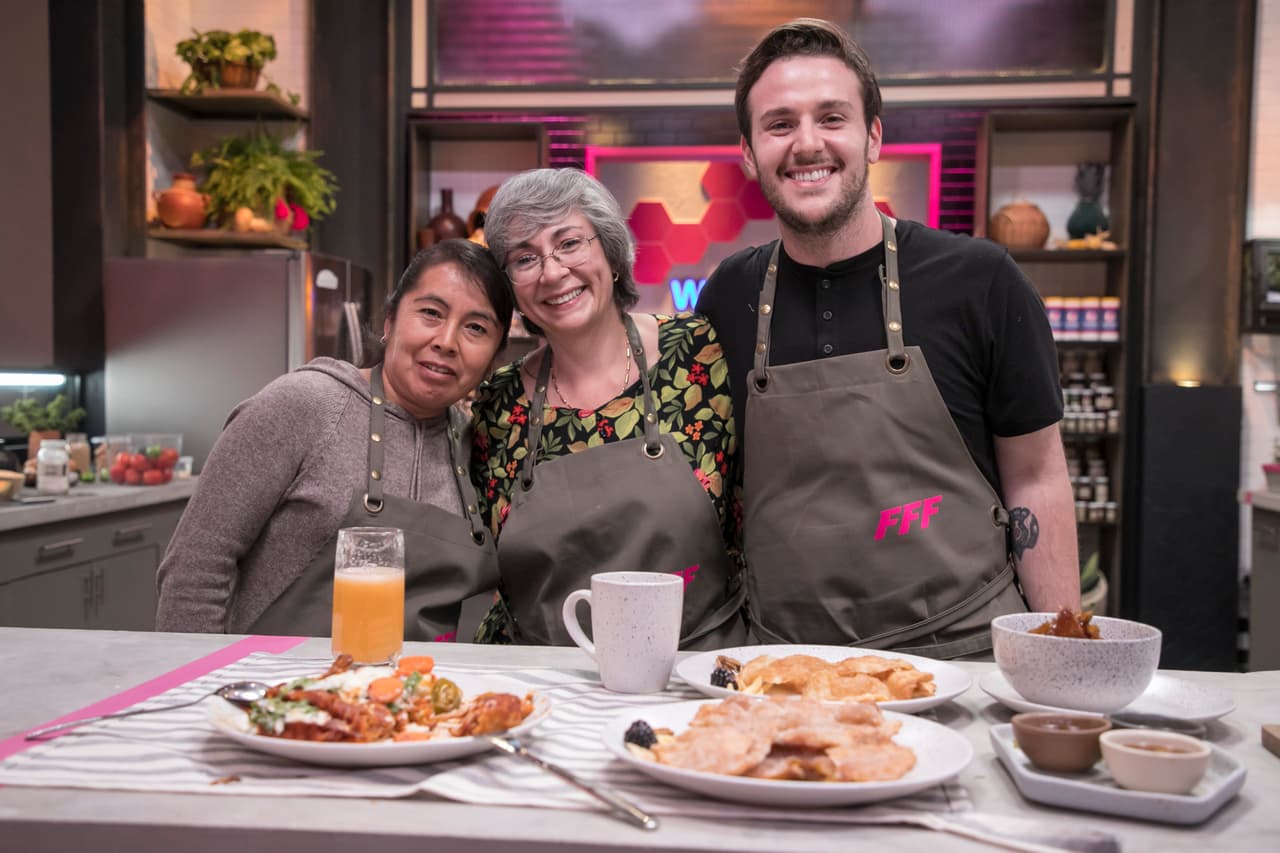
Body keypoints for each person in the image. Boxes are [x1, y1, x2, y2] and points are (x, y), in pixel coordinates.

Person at [696, 18, 1079, 658]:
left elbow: (1037, 477)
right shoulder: (728, 296)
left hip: (967, 656)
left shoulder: (980, 280)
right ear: (748, 152)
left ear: (873, 136)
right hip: (786, 669)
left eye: (832, 118)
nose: (807, 144)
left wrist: (1060, 662)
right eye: (780, 124)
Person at [156, 240, 514, 640]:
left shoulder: (476, 445)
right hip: (274, 678)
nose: (447, 341)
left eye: (476, 328)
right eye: (431, 313)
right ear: (390, 321)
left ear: (494, 357)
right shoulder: (304, 405)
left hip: (414, 681)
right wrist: (204, 675)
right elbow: (195, 569)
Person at [471, 167, 747, 649]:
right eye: (525, 258)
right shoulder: (498, 402)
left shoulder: (699, 354)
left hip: (691, 668)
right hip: (540, 675)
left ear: (611, 253)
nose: (552, 272)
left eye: (569, 243)